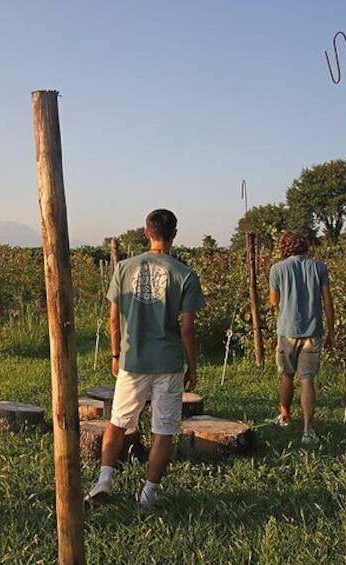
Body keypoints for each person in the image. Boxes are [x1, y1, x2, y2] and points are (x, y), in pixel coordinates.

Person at [86, 209, 205, 508]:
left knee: (117, 422)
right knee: (163, 430)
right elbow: (187, 329)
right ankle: (149, 493)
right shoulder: (185, 274)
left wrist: (116, 353)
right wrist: (192, 365)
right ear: (175, 234)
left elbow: (114, 320)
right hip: (168, 362)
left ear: (146, 232)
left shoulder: (124, 268)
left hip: (132, 359)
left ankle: (104, 480)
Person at [268, 231, 334, 446]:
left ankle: (284, 416)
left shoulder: (277, 269)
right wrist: (331, 330)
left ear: (285, 248)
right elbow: (327, 301)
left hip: (287, 330)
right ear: (306, 246)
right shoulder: (320, 267)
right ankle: (308, 430)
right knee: (307, 379)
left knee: (287, 375)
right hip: (313, 331)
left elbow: (274, 302)